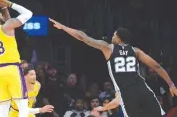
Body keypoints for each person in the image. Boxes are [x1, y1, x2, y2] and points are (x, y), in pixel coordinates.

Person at [49, 18, 177, 117]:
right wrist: (171, 84)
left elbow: (82, 37)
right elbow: (157, 66)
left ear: (119, 38)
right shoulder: (136, 51)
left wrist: (63, 27)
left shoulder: (108, 48)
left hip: (127, 94)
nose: (112, 36)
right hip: (143, 89)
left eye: (114, 35)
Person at [0, 0, 33, 117]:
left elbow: (8, 22)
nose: (2, 16)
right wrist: (10, 4)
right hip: (12, 69)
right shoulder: (6, 27)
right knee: (22, 105)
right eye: (0, 15)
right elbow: (28, 14)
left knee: (3, 108)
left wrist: (4, 9)